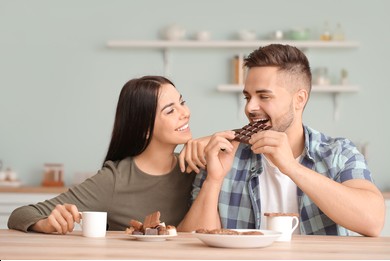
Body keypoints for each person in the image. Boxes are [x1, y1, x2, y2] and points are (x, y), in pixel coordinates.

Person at [178, 44, 385, 237]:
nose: (250, 108)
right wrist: (214, 180)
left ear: (299, 99)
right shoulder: (222, 157)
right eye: (248, 97)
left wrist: (291, 167)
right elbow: (193, 242)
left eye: (264, 96)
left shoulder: (339, 153)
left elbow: (373, 221)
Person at [8, 75, 195, 234]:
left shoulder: (195, 166)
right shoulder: (115, 179)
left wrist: (208, 143)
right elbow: (21, 214)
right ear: (144, 128)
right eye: (170, 110)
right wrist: (44, 223)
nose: (185, 112)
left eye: (182, 102)